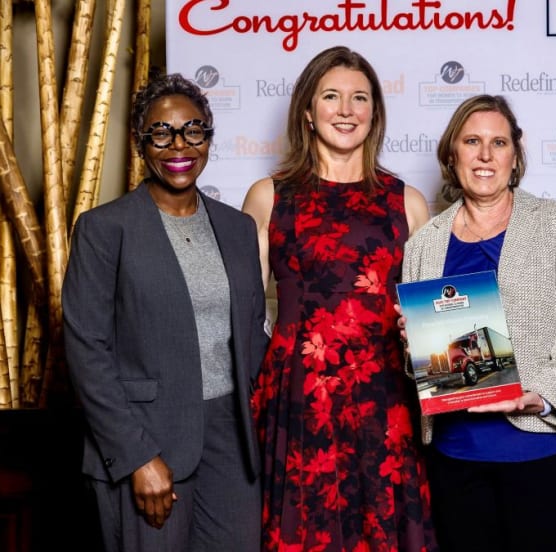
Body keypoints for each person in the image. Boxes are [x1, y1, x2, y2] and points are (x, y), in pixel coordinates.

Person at [241, 46, 437, 551]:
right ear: (308, 110)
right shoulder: (269, 196)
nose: (346, 110)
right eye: (331, 96)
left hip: (386, 398)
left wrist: (478, 394)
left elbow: (442, 319)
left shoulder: (407, 202)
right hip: (298, 396)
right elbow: (238, 315)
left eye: (359, 98)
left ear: (375, 114)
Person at [63, 73, 267, 552]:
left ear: (208, 139)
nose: (179, 145)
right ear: (141, 143)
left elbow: (253, 338)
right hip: (146, 441)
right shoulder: (103, 229)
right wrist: (137, 457)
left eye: (193, 130)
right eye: (161, 132)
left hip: (233, 443)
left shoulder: (237, 229)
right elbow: (86, 350)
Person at [401, 94, 556, 552]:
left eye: (498, 142)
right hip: (457, 455)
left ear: (515, 154)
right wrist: (413, 343)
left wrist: (544, 395)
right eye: (472, 141)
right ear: (452, 154)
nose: (484, 155)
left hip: (545, 450)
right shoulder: (424, 244)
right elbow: (424, 367)